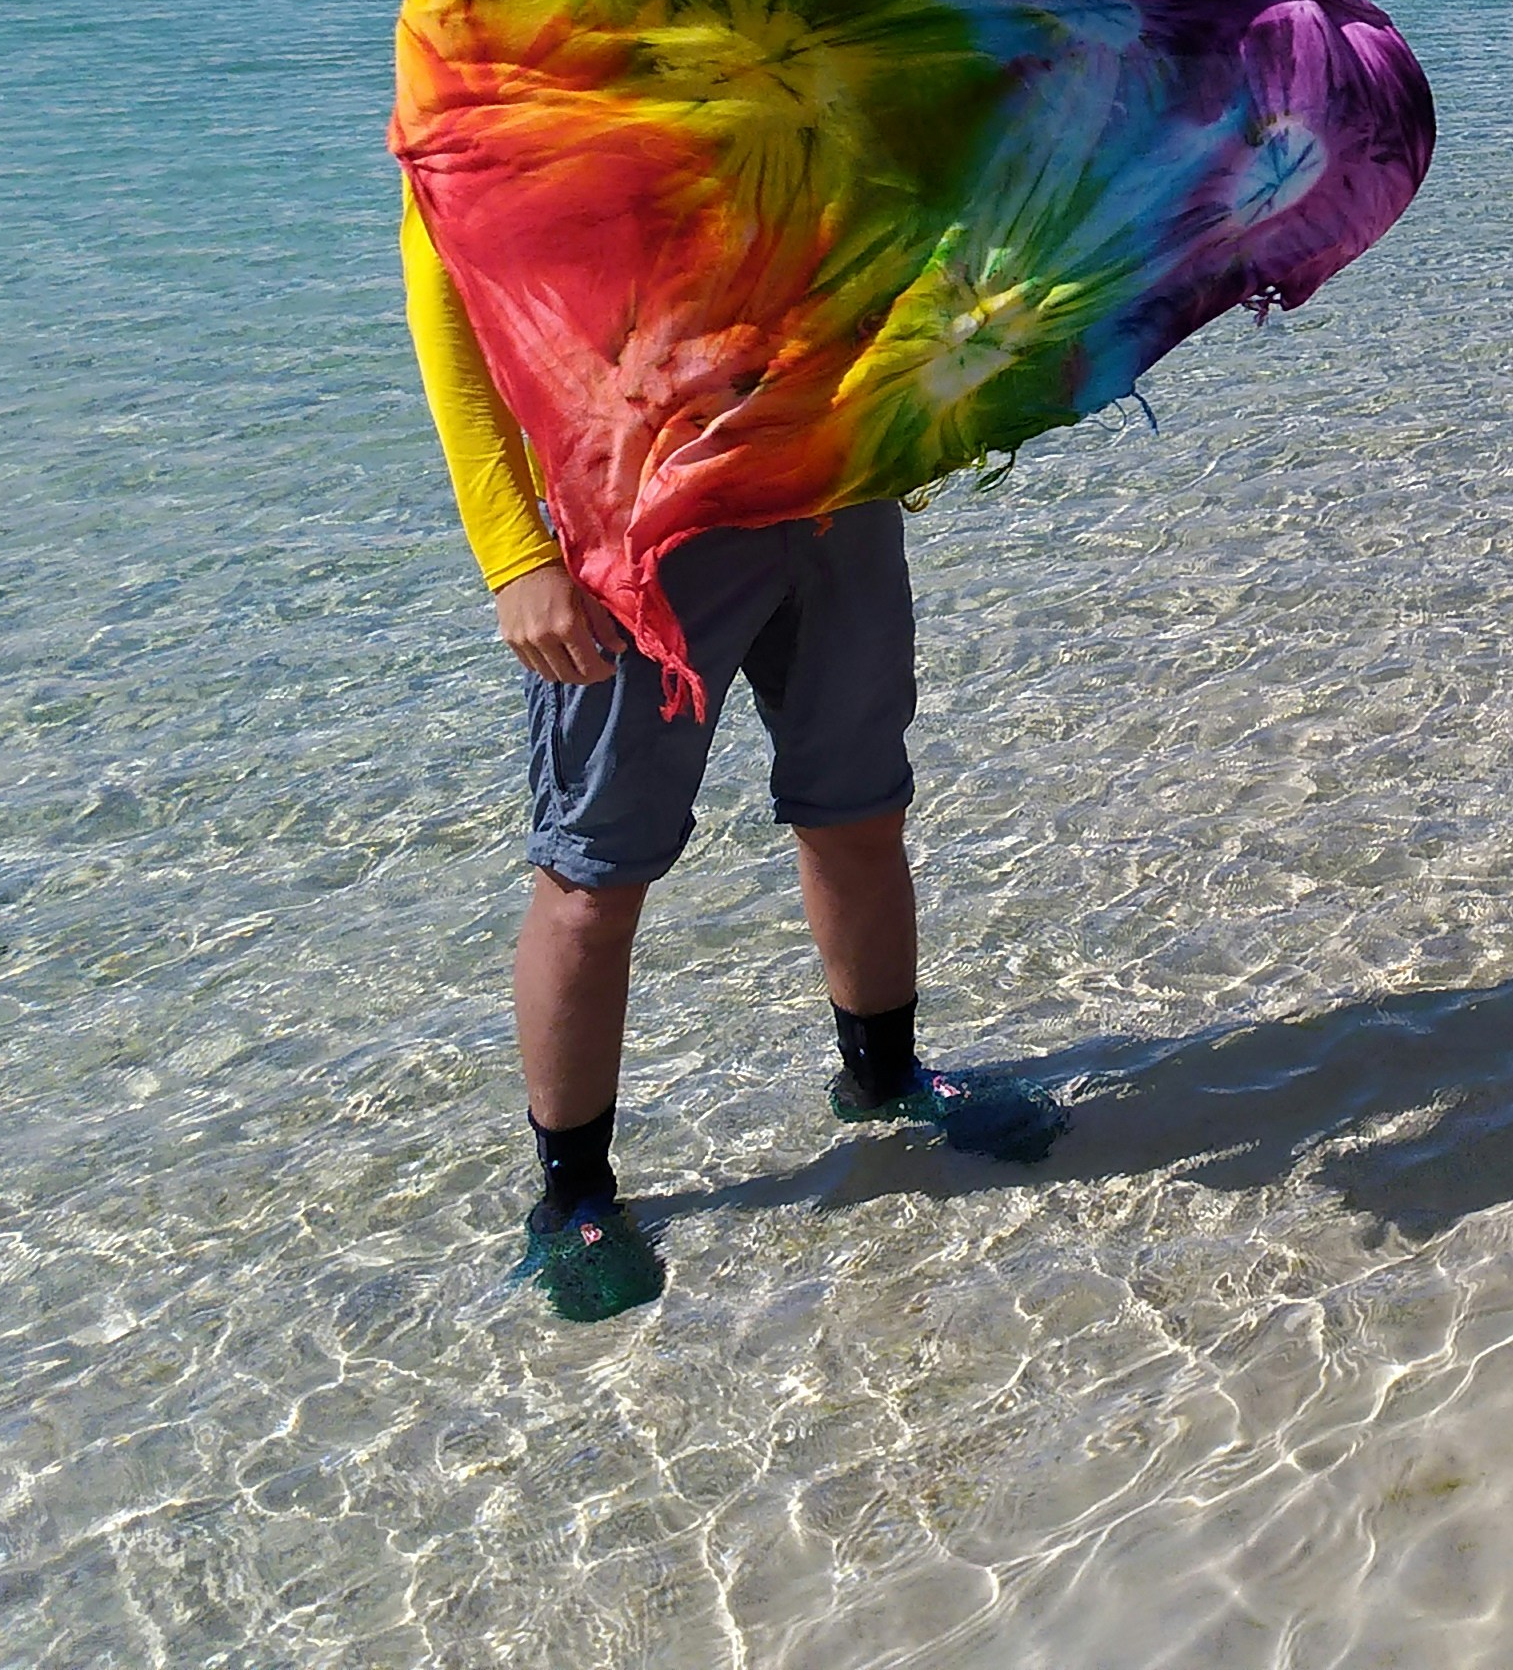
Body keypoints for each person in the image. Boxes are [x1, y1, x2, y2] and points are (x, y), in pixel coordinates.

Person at [401, 187, 1051, 1325]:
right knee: (595, 874)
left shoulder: (783, 18)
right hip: (636, 532)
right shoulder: (517, 42)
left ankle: (885, 1079)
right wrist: (514, 555)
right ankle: (574, 1195)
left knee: (857, 812)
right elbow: (451, 295)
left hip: (834, 493)